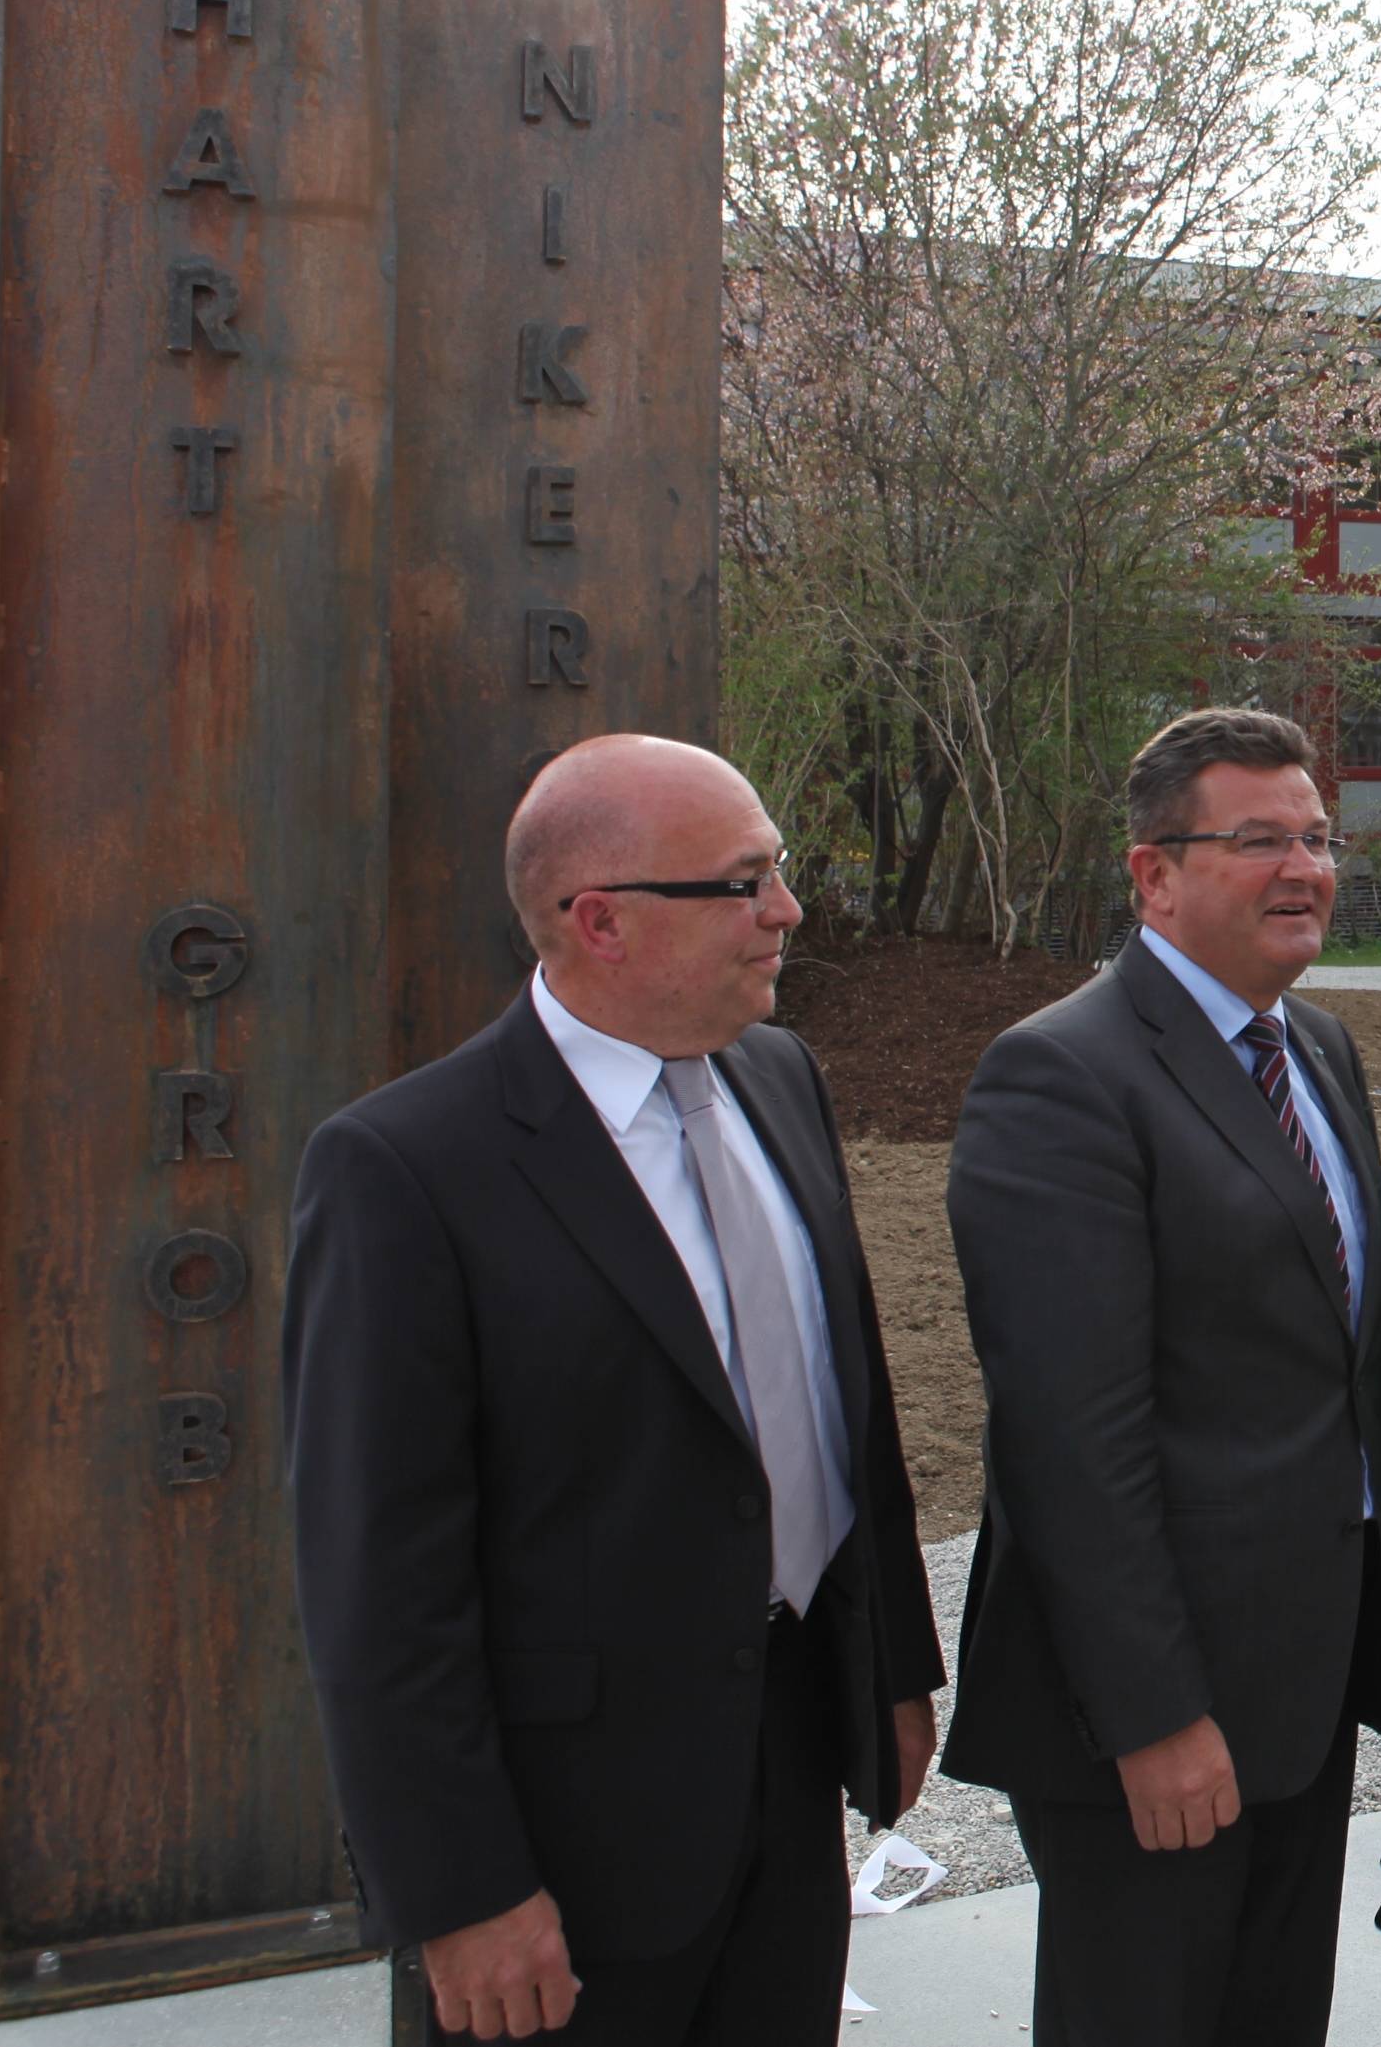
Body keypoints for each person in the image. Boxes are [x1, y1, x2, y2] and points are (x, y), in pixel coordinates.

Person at [285, 735, 943, 2045]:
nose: (787, 911)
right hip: (563, 1839)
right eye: (744, 880)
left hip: (788, 1763)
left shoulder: (781, 1081)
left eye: (780, 870)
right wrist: (459, 1890)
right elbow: (377, 1584)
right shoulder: (406, 1170)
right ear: (602, 922)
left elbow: (844, 1406)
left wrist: (892, 1668)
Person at [941, 707, 1381, 2047]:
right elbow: (1069, 1440)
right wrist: (1151, 1715)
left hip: (1299, 1686)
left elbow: (1331, 1360)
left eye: (1314, 836)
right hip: (1156, 1715)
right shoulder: (1060, 1078)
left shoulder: (1314, 1049)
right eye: (1257, 839)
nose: (1305, 867)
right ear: (1152, 872)